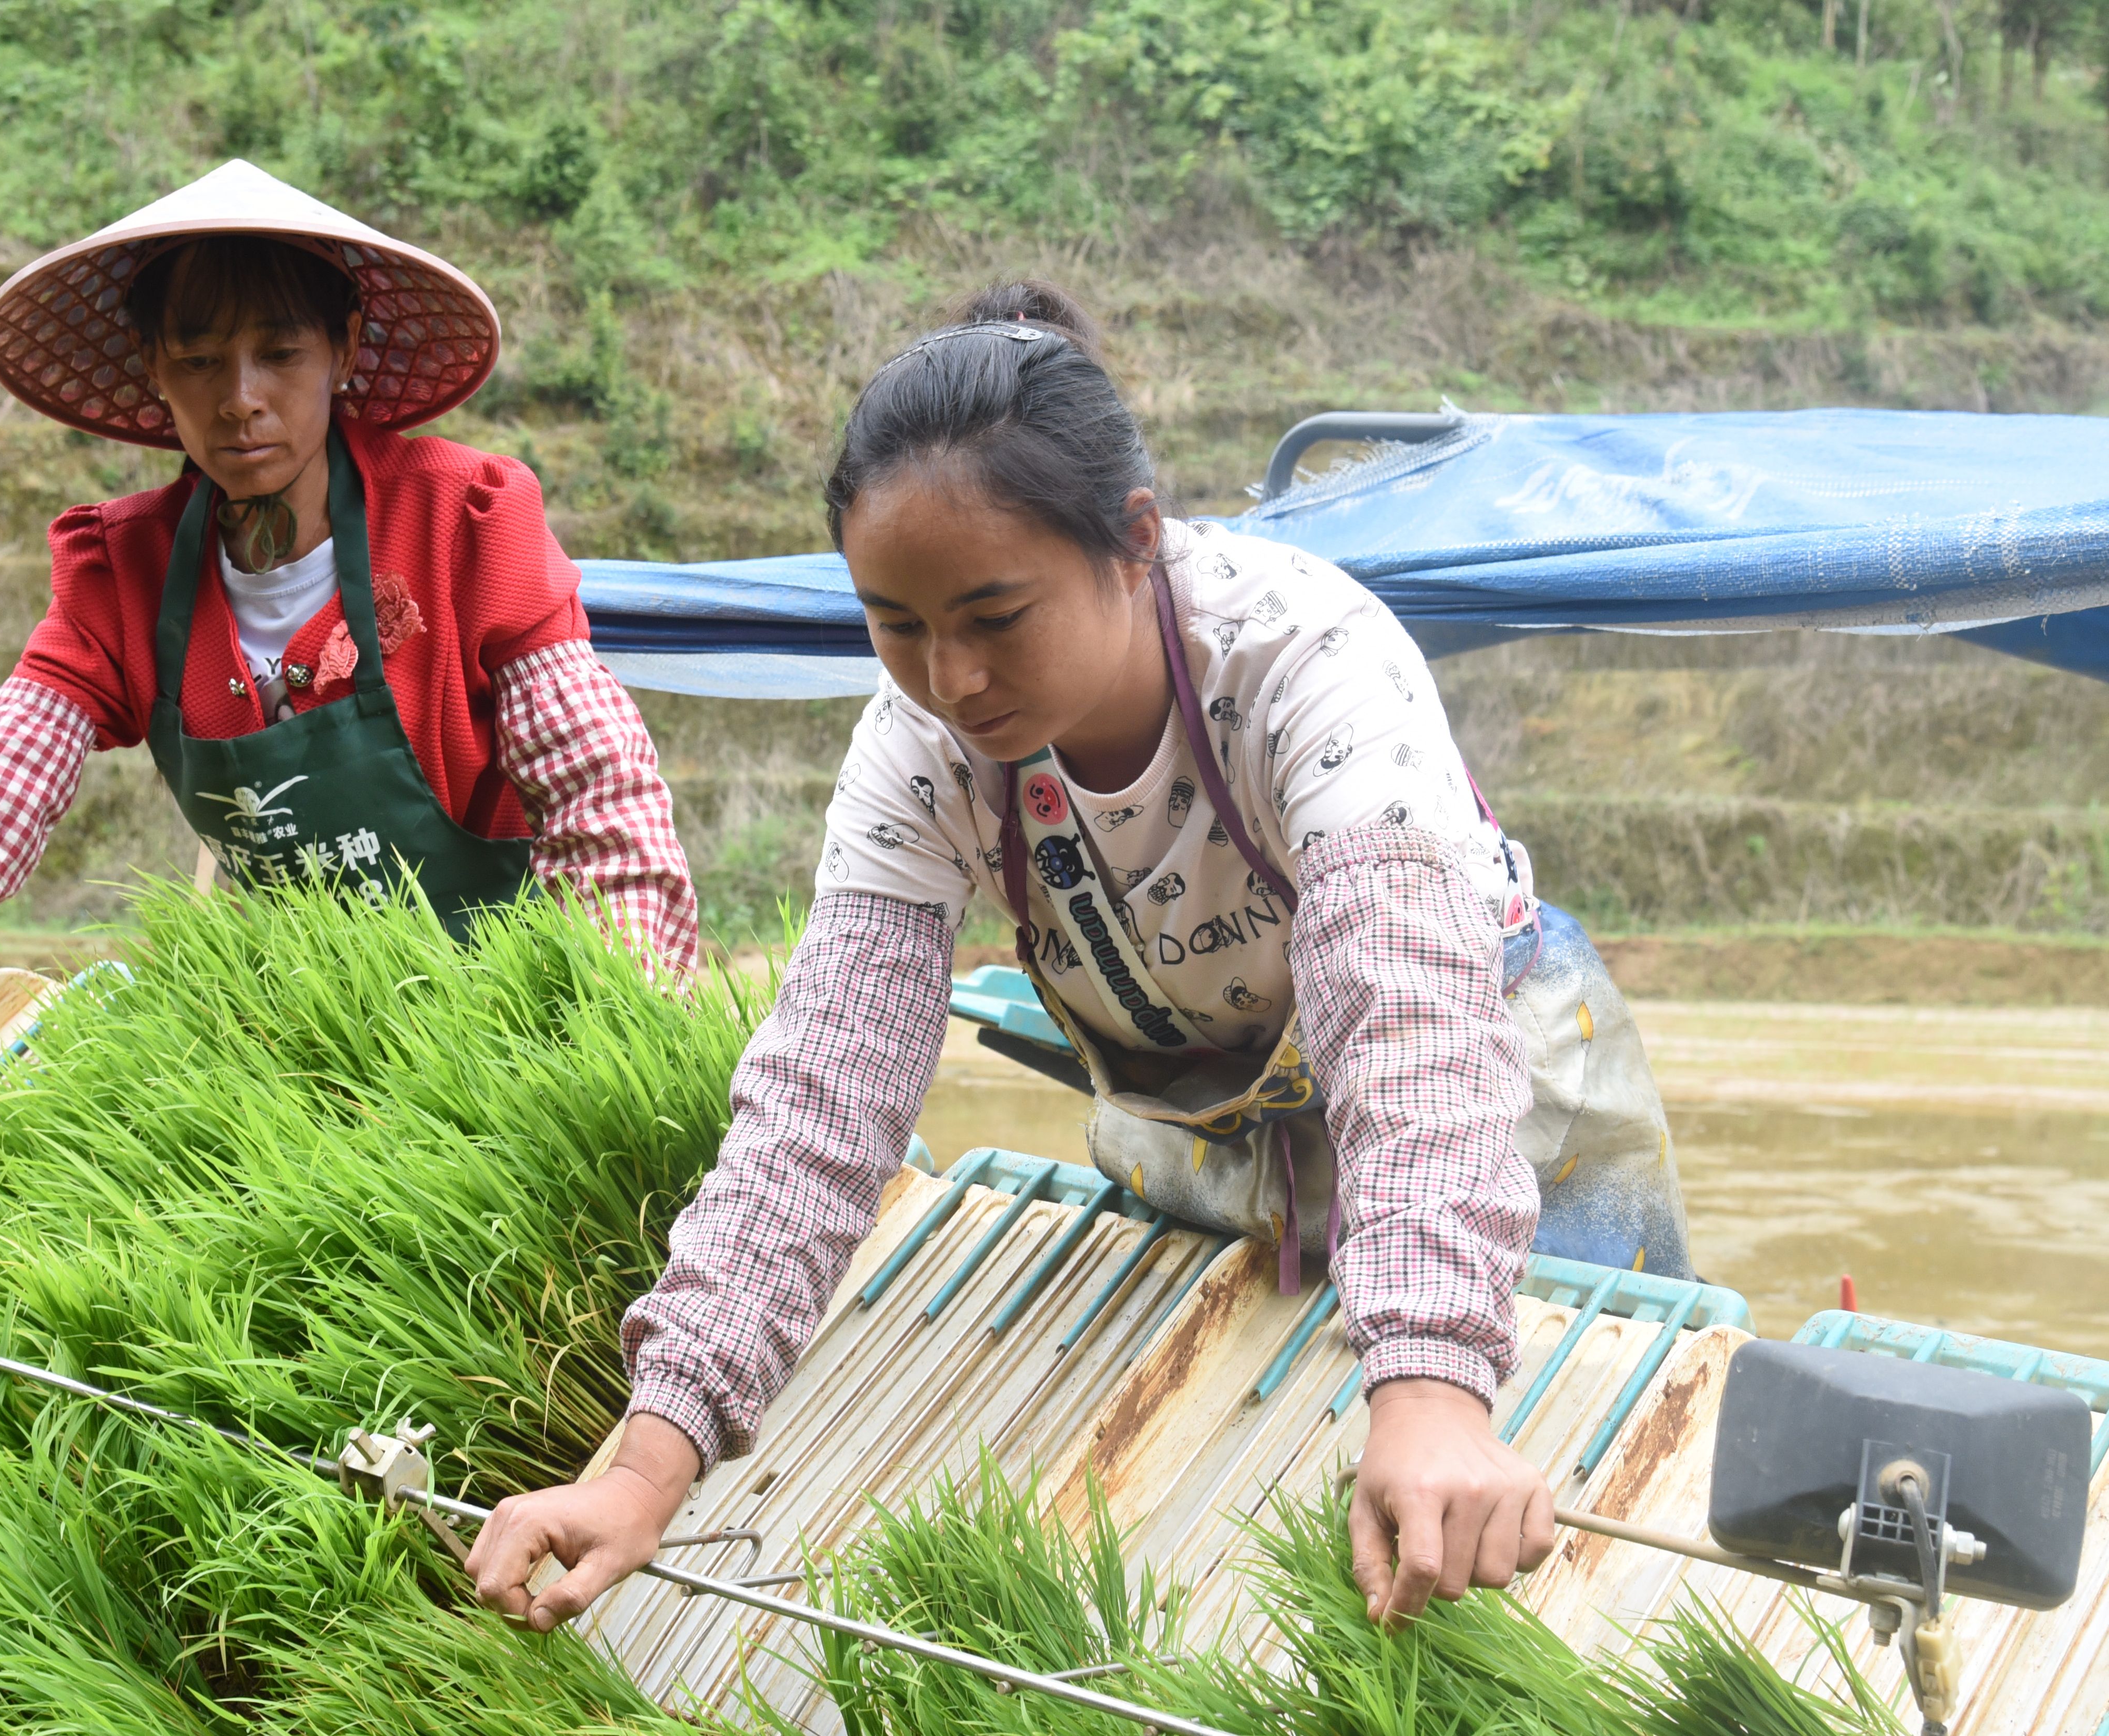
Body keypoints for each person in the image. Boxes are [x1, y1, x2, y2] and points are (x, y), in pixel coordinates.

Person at [464, 282, 1691, 1632]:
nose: (954, 680)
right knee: (1260, 1519)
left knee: (1555, 1512)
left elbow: (1402, 1037)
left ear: (1135, 544)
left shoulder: (1302, 661)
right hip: (1220, 1116)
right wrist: (651, 1458)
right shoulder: (921, 748)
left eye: (995, 617)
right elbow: (822, 1096)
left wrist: (1437, 1385)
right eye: (898, 624)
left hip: (1484, 1099)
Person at [0, 160, 697, 1119]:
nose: (240, 402)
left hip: (520, 1024)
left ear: (344, 351)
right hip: (312, 1053)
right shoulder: (122, 575)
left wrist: (600, 1046)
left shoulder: (466, 520)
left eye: (279, 354)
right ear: (151, 369)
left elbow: (602, 799)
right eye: (197, 361)